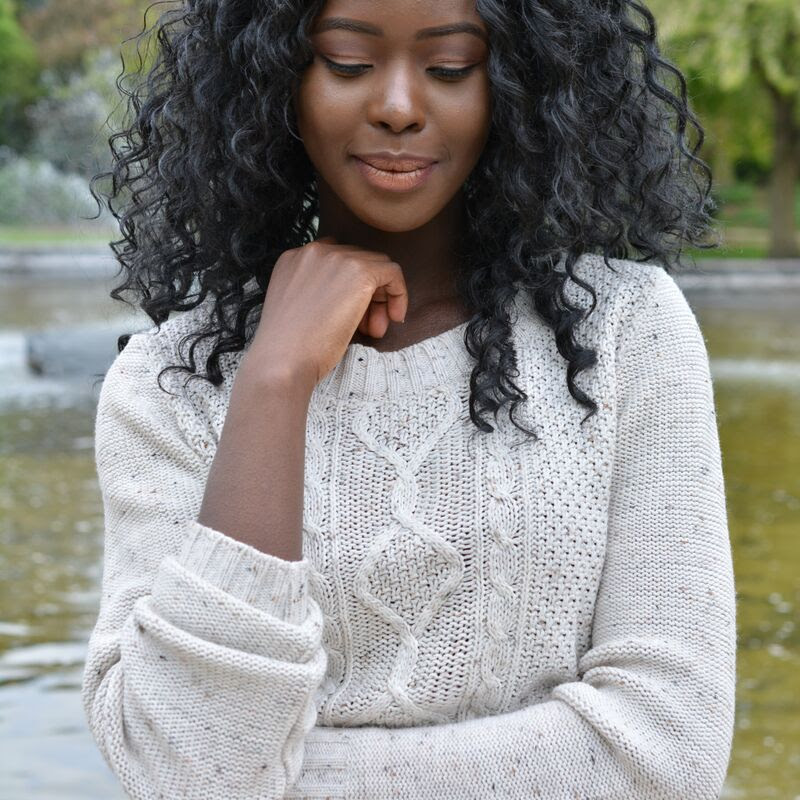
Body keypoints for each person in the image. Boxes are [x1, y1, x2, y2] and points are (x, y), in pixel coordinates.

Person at [81, 0, 737, 798]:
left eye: (450, 67)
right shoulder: (171, 382)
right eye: (349, 63)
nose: (397, 106)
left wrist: (275, 780)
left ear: (519, 82)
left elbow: (667, 751)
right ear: (274, 78)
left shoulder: (624, 328)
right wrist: (273, 383)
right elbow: (183, 765)